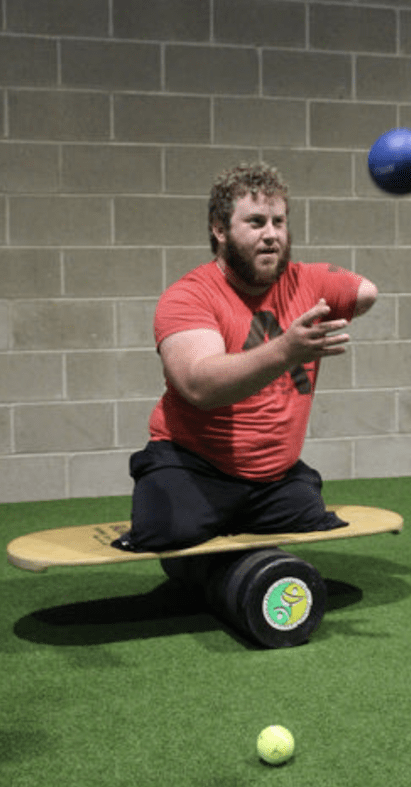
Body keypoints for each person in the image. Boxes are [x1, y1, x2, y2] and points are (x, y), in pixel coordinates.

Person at [116, 162, 377, 561]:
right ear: (220, 230)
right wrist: (286, 349)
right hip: (196, 466)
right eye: (256, 222)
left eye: (279, 221)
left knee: (309, 512)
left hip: (275, 477)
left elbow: (366, 292)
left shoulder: (307, 281)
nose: (272, 235)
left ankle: (240, 523)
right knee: (165, 530)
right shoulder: (189, 296)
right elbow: (199, 386)